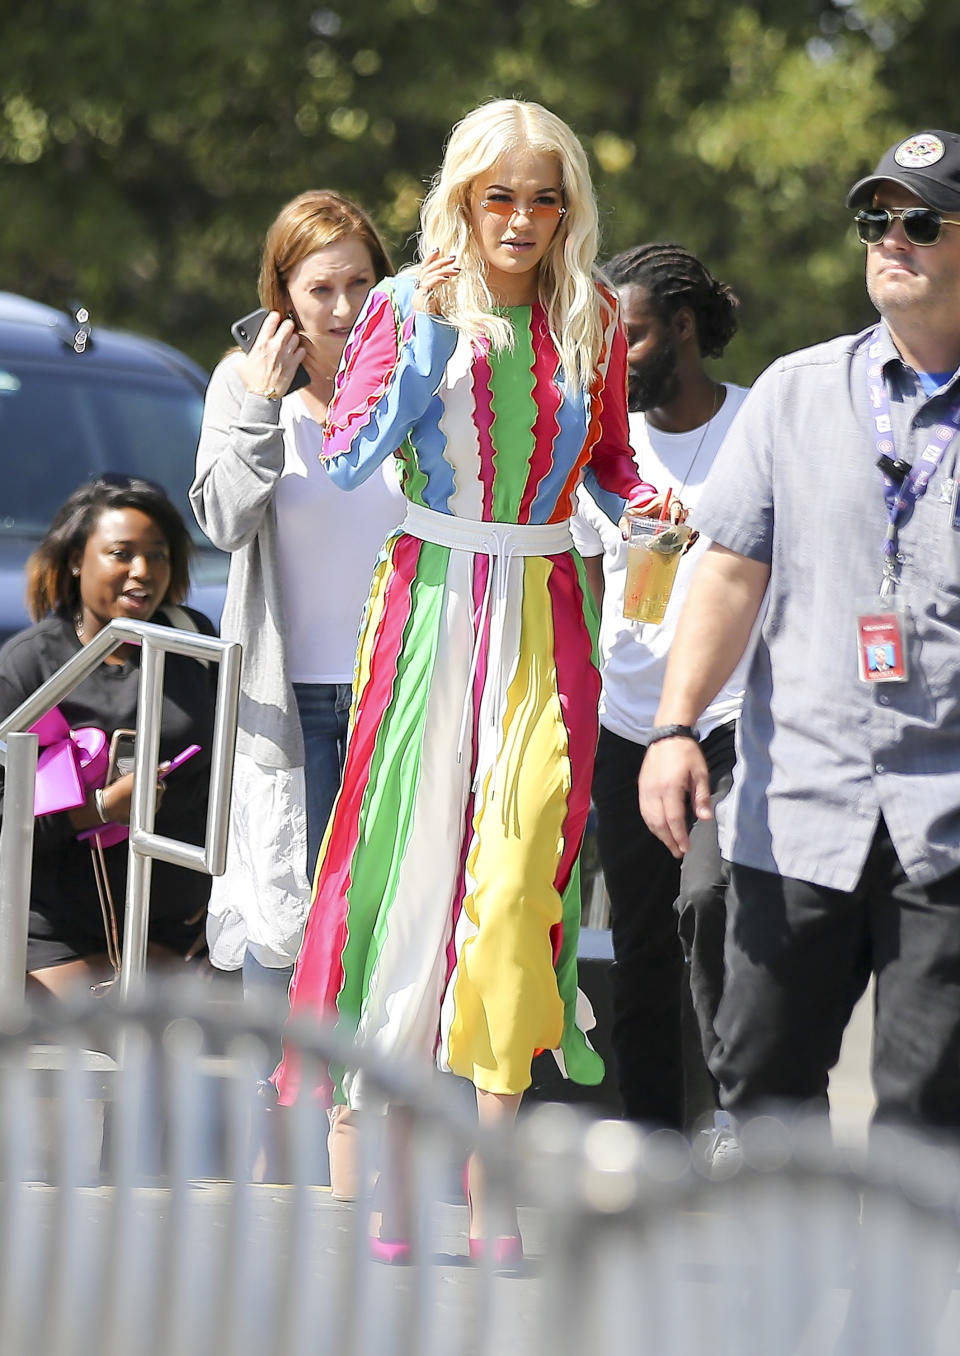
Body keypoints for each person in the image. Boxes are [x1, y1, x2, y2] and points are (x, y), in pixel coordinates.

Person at [273, 98, 666, 1259]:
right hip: (432, 602)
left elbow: (605, 468)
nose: (525, 218)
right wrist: (413, 361)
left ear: (570, 208)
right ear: (462, 197)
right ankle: (398, 1172)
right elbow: (347, 458)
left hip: (550, 611)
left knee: (515, 891)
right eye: (501, 195)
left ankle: (492, 1187)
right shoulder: (409, 306)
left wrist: (651, 518)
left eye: (547, 197)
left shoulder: (592, 311)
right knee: (410, 888)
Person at [638, 129, 960, 1139]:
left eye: (921, 220)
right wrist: (675, 726)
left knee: (924, 1121)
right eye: (876, 218)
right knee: (763, 1083)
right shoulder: (795, 390)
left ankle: (894, 1306)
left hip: (946, 827)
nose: (890, 239)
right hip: (797, 805)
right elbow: (729, 568)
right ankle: (781, 1297)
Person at [190, 191, 403, 1007]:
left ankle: (358, 1107)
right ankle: (273, 1106)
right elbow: (221, 518)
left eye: (360, 283)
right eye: (321, 289)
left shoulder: (410, 386)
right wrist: (258, 403)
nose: (344, 307)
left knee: (379, 912)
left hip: (400, 690)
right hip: (293, 697)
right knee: (283, 907)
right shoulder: (243, 385)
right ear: (282, 295)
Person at [570, 244, 748, 1144]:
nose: (612, 358)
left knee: (709, 904)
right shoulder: (601, 444)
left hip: (729, 722)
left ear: (683, 328)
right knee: (639, 942)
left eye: (628, 337)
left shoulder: (756, 431)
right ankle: (652, 1145)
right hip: (626, 725)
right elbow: (591, 583)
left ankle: (730, 1118)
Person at [0, 475, 217, 996]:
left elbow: (234, 784)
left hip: (175, 930)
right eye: (121, 554)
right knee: (110, 1047)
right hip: (59, 934)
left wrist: (226, 898)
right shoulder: (31, 666)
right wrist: (99, 807)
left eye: (158, 555)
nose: (142, 572)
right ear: (77, 558)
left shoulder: (195, 643)